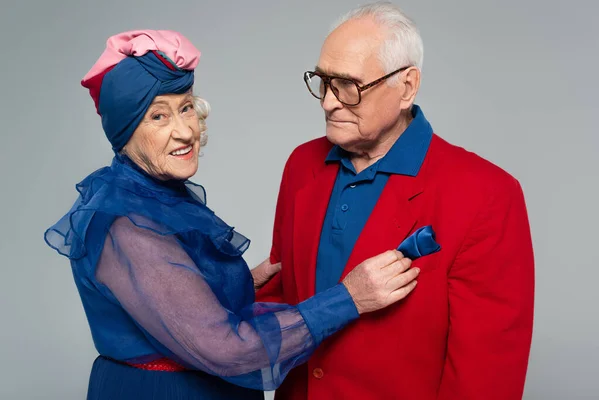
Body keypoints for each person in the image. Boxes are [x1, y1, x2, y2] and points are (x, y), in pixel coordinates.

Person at [43, 30, 432, 400]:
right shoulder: (128, 223)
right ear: (125, 133)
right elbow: (226, 349)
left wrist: (243, 283)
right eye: (158, 117)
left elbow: (168, 304)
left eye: (186, 108)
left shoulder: (156, 193)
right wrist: (348, 298)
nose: (184, 132)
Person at [256, 2, 535, 400]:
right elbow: (282, 301)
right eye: (323, 81)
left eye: (348, 85)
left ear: (407, 85)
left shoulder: (488, 193)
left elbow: (487, 376)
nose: (328, 102)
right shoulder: (302, 164)